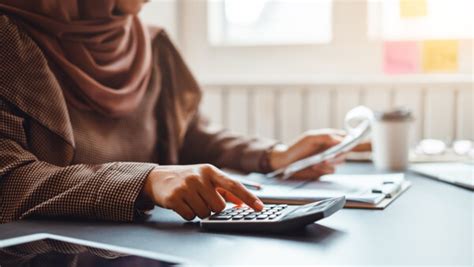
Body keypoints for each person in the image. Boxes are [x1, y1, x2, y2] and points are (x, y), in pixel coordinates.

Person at [0, 0, 366, 223]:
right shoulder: (8, 45)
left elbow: (187, 135)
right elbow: (9, 181)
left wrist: (272, 155)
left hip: (155, 247)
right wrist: (144, 182)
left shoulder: (149, 41)